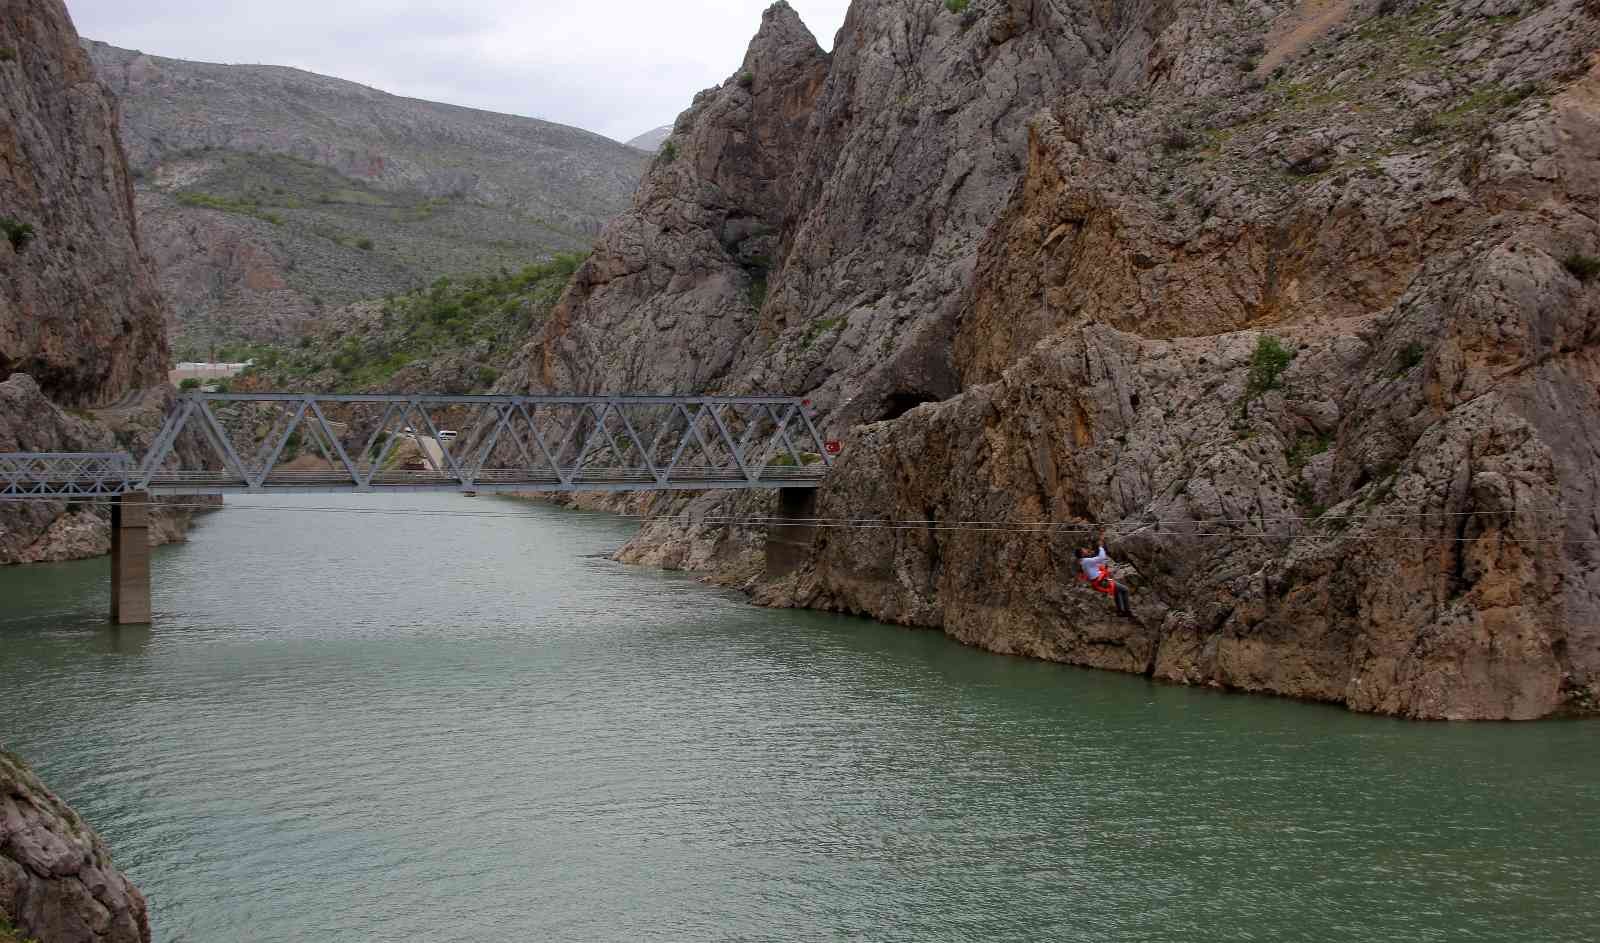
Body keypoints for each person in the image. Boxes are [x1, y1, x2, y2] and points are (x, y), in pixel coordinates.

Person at [1078, 529, 1132, 618]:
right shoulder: (1086, 561)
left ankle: (1120, 611)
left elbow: (1097, 563)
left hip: (1100, 581)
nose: (1086, 550)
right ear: (1082, 553)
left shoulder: (1084, 562)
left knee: (1117, 591)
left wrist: (1101, 538)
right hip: (1102, 581)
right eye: (1084, 550)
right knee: (1125, 589)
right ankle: (1127, 611)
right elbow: (1101, 557)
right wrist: (1100, 547)